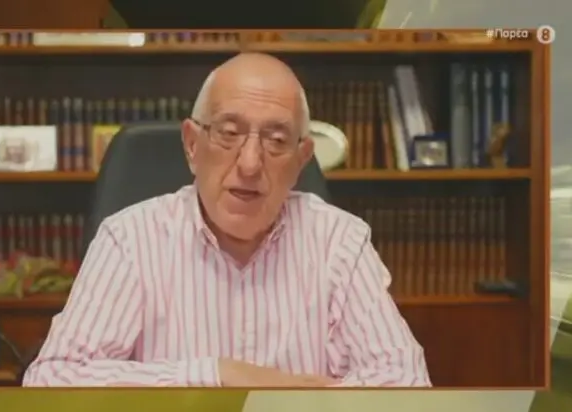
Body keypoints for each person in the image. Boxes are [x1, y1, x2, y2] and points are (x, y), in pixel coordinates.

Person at [23, 53, 431, 388]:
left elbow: (406, 381)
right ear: (192, 145)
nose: (250, 164)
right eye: (229, 133)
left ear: (301, 160)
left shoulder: (338, 241)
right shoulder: (130, 239)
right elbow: (51, 379)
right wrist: (214, 375)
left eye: (276, 141)